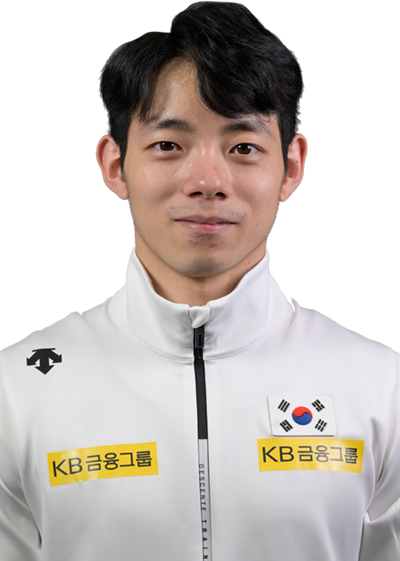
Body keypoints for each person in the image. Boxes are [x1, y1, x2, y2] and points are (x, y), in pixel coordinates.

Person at [0, 1, 399, 559]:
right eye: (168, 145)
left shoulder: (381, 388)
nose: (208, 180)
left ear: (291, 166)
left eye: (243, 147)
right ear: (116, 165)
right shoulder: (17, 392)